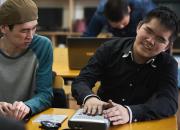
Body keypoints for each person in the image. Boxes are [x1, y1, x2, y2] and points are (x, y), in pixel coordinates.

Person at [72, 7, 179, 125]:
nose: (150, 40)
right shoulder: (109, 48)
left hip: (141, 124)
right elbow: (81, 80)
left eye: (160, 39)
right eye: (148, 31)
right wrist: (89, 98)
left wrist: (130, 112)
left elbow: (168, 102)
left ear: (167, 47)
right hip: (103, 121)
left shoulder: (168, 64)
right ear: (139, 27)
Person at [0, 0, 53, 120]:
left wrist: (28, 106)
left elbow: (45, 94)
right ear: (4, 28)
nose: (30, 36)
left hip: (27, 119)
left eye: (34, 28)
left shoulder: (43, 46)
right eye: (24, 30)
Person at [83, 0, 156, 37]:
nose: (121, 27)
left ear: (128, 9)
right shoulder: (101, 14)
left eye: (124, 23)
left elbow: (157, 31)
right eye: (116, 26)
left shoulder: (144, 8)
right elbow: (88, 35)